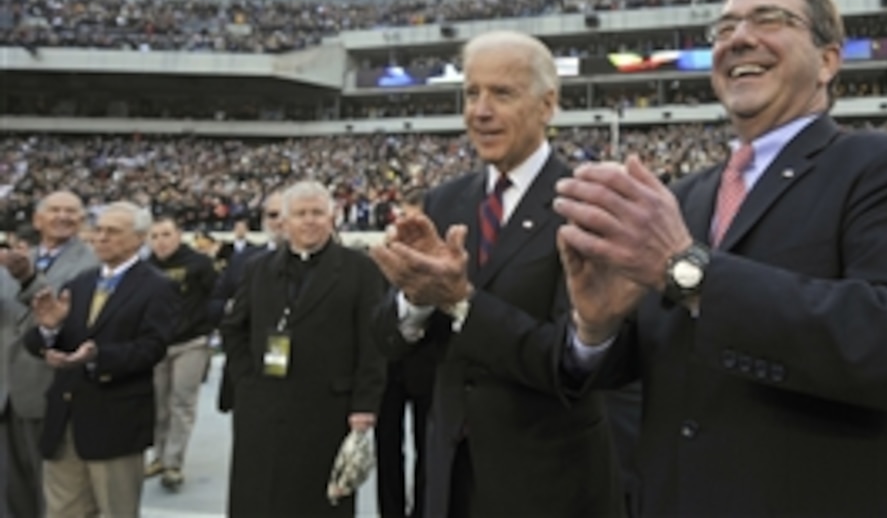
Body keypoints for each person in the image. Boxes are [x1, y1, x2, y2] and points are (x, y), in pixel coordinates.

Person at [552, 0, 887, 516]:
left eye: (770, 19)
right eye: (724, 28)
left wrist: (689, 272)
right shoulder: (682, 199)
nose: (739, 38)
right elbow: (656, 377)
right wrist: (596, 327)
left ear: (829, 60)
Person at [371, 30, 624, 517]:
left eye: (501, 94)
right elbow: (387, 339)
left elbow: (570, 363)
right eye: (471, 93)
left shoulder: (586, 206)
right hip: (449, 474)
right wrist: (416, 298)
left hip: (549, 480)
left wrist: (461, 300)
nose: (480, 111)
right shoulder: (446, 201)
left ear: (547, 105)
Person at [220, 181, 386, 517]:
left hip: (327, 410)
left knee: (318, 503)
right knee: (258, 499)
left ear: (332, 217)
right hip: (263, 407)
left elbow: (373, 343)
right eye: (300, 214)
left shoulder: (360, 269)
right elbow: (234, 327)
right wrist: (246, 379)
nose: (309, 221)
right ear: (283, 221)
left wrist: (364, 408)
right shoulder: (259, 268)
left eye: (317, 213)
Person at [22, 201, 176, 518]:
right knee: (62, 511)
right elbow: (37, 343)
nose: (101, 238)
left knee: (116, 510)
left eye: (113, 232)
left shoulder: (157, 286)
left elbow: (153, 347)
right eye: (98, 230)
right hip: (65, 419)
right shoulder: (79, 283)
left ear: (138, 238)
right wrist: (49, 331)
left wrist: (98, 356)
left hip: (115, 422)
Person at [1, 192, 98, 518]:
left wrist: (28, 277)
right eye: (54, 210)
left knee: (57, 495)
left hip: (53, 388)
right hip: (7, 391)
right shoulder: (14, 257)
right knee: (12, 490)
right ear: (36, 220)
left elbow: (60, 313)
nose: (63, 216)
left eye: (71, 211)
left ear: (82, 220)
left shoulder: (92, 262)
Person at [375, 187, 436, 518]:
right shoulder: (381, 257)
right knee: (387, 449)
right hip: (387, 369)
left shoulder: (439, 258)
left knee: (429, 450)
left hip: (429, 368)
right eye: (403, 215)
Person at [145, 216, 218, 490]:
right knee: (157, 405)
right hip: (156, 344)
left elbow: (217, 295)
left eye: (166, 234)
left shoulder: (199, 263)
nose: (160, 241)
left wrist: (208, 328)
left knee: (181, 403)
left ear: (179, 235)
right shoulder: (146, 267)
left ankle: (173, 463)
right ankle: (159, 456)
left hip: (191, 342)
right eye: (155, 236)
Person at [208, 190, 284, 414]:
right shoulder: (244, 260)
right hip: (248, 366)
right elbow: (214, 303)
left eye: (284, 214)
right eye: (272, 215)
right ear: (262, 220)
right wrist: (232, 309)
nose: (279, 221)